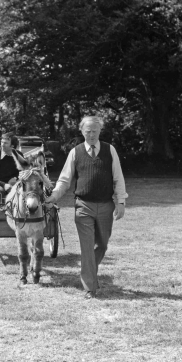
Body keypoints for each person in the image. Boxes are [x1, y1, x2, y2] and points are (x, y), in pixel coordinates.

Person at [47, 116, 128, 299]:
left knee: (102, 244)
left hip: (106, 205)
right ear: (82, 132)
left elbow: (118, 178)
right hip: (83, 206)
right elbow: (65, 180)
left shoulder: (110, 150)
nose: (91, 135)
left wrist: (120, 202)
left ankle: (90, 270)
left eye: (95, 131)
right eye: (88, 131)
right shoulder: (75, 152)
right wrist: (53, 196)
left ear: (100, 131)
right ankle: (90, 287)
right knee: (86, 248)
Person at [0, 132, 27, 197]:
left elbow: (24, 172)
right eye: (2, 142)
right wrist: (4, 184)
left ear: (12, 146)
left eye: (5, 143)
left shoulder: (19, 155)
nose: (2, 145)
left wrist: (15, 178)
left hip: (15, 183)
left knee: (25, 191)